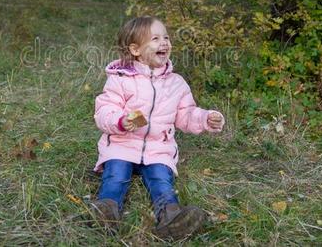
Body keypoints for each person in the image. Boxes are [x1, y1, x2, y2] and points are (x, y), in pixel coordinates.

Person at [90, 16, 225, 239]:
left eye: (166, 37)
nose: (164, 42)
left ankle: (171, 218)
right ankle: (107, 212)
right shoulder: (120, 79)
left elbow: (185, 114)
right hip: (122, 144)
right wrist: (121, 121)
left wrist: (204, 118)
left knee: (161, 181)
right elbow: (104, 110)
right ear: (135, 49)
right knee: (116, 175)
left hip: (158, 149)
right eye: (155, 38)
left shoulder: (176, 83)